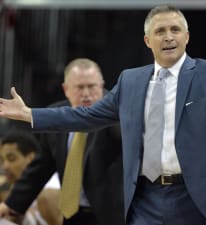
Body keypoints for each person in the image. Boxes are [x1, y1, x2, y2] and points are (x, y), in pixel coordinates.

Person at [0, 4, 206, 225]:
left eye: (174, 30)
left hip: (196, 195)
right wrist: (30, 115)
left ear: (186, 37)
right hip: (145, 198)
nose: (168, 36)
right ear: (148, 41)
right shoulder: (130, 80)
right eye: (160, 31)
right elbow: (85, 117)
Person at [0, 58, 124, 225]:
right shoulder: (55, 116)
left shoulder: (118, 114)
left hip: (112, 216)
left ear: (102, 86)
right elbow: (42, 166)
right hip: (72, 214)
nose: (86, 94)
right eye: (80, 87)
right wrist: (12, 203)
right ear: (66, 89)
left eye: (92, 86)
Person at [0, 130, 62, 225]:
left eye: (11, 159)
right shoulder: (15, 191)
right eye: (2, 160)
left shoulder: (49, 194)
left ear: (31, 158)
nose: (5, 166)